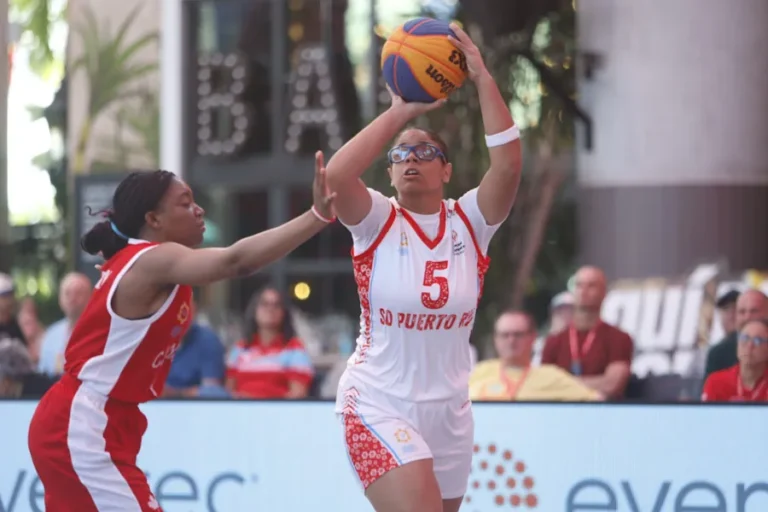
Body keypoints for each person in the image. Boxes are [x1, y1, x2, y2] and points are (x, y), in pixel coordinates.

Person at [27, 155, 335, 512]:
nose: (199, 210)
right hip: (83, 423)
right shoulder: (153, 259)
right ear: (153, 219)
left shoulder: (140, 260)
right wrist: (316, 216)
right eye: (185, 203)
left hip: (94, 420)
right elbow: (236, 261)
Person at [326, 24, 522, 512]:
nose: (412, 158)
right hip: (376, 402)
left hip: (450, 410)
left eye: (426, 151)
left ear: (447, 170)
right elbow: (334, 178)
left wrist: (480, 78)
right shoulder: (376, 219)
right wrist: (400, 112)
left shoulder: (470, 222)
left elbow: (510, 167)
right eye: (401, 154)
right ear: (390, 173)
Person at [541, 266, 634, 399]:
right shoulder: (554, 341)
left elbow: (612, 385)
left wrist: (562, 385)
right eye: (579, 286)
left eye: (591, 286)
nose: (583, 291)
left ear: (603, 292)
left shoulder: (619, 339)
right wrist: (595, 383)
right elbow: (545, 385)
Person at [469, 310, 602, 401]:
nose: (511, 341)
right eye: (505, 335)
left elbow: (596, 400)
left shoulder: (551, 377)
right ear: (495, 339)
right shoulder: (476, 372)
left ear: (532, 337)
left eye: (518, 334)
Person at [226, 286, 314, 399]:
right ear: (254, 310)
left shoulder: (294, 349)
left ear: (284, 312)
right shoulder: (240, 348)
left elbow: (297, 395)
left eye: (276, 305)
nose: (270, 309)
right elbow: (228, 393)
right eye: (264, 304)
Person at [702, 318, 768, 402]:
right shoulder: (716, 381)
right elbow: (707, 414)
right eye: (745, 338)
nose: (750, 345)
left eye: (757, 340)